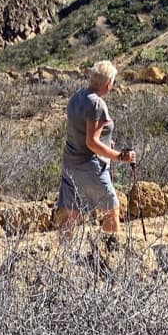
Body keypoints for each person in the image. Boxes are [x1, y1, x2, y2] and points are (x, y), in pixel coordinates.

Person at [55, 60, 137, 239]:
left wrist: (107, 143)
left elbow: (82, 130)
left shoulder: (77, 96)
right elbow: (92, 142)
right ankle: (110, 252)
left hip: (70, 162)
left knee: (71, 213)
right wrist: (120, 156)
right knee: (111, 208)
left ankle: (63, 257)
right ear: (108, 84)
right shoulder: (96, 104)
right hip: (90, 166)